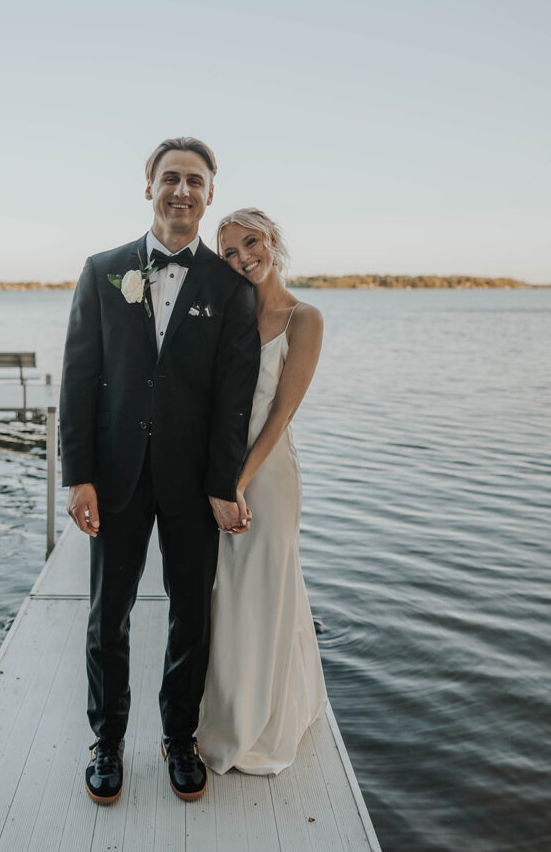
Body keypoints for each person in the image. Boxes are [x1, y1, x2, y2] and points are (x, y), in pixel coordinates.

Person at [59, 139, 261, 805]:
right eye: (170, 178)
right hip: (114, 474)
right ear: (148, 186)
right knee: (105, 615)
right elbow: (81, 380)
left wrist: (221, 484)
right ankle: (106, 742)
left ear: (209, 194)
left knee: (190, 617)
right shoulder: (102, 270)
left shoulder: (232, 290)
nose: (182, 190)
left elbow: (233, 400)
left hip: (191, 482)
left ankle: (179, 739)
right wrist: (77, 473)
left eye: (195, 181)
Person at [197, 208, 328, 775]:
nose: (243, 256)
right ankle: (224, 710)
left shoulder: (304, 317)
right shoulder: (228, 314)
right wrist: (212, 480)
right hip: (220, 472)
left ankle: (265, 721)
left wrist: (237, 485)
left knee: (266, 586)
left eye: (251, 242)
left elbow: (281, 413)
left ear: (273, 242)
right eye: (229, 251)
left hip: (267, 475)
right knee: (227, 592)